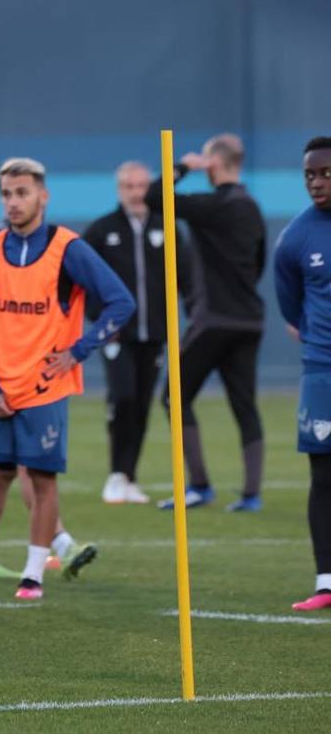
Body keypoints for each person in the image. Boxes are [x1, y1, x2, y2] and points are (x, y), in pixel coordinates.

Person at [0, 157, 134, 601]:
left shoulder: (68, 248)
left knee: (41, 479)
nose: (13, 202)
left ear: (43, 195)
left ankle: (33, 576)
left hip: (45, 387)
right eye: (6, 194)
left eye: (22, 193)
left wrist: (78, 350)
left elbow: (121, 303)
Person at [0, 233, 96, 581]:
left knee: (14, 471)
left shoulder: (60, 251)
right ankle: (55, 544)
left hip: (36, 384)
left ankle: (2, 556)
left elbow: (116, 299)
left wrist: (79, 348)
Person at [147, 134, 268, 512]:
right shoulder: (252, 207)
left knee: (173, 396)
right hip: (249, 320)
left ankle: (199, 486)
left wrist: (183, 166)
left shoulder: (214, 206)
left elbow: (153, 197)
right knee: (244, 404)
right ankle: (251, 494)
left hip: (214, 320)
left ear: (213, 163)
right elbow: (259, 263)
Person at [83, 161, 189, 504]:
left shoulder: (167, 227)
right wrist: (100, 323)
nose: (136, 193)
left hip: (154, 334)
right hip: (117, 334)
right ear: (119, 190)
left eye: (142, 186)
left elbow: (186, 278)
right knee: (123, 396)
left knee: (143, 403)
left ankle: (130, 477)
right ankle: (116, 473)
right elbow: (82, 282)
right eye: (129, 186)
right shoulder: (102, 230)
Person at [273, 137, 331, 610]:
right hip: (322, 371)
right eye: (310, 175)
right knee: (324, 475)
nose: (317, 182)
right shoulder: (295, 238)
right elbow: (291, 307)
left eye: (326, 173)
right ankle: (326, 582)